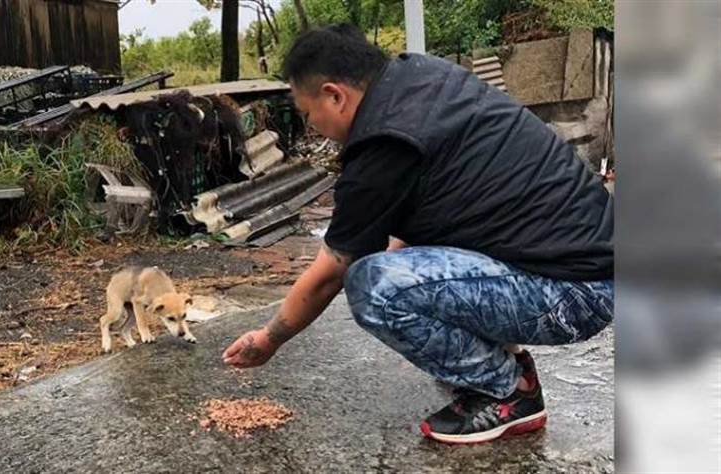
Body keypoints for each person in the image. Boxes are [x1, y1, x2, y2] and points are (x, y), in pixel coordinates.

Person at [222, 24, 613, 445]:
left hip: (574, 295)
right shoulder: (419, 78)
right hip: (588, 268)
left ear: (335, 95)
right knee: (400, 265)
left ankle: (509, 393)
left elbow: (331, 273)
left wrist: (269, 339)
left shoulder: (381, 141)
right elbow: (430, 215)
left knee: (374, 286)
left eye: (306, 113)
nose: (312, 126)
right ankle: (505, 363)